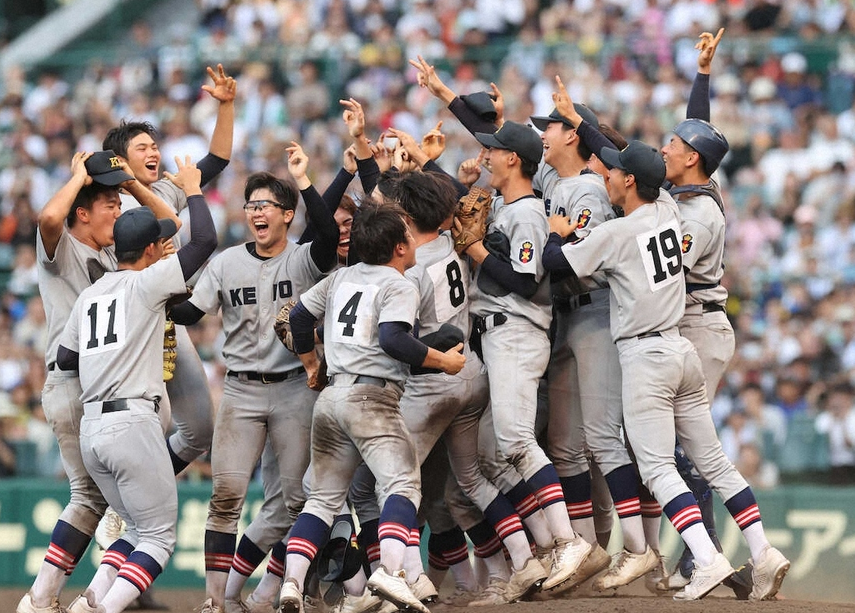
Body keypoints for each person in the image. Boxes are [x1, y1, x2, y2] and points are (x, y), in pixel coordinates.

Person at [543, 139, 790, 601]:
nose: (607, 176)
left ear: (630, 180)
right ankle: (764, 551)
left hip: (645, 357)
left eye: (615, 172)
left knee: (657, 466)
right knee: (714, 462)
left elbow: (555, 262)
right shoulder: (669, 213)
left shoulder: (618, 233)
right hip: (681, 352)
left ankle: (706, 558)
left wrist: (558, 233)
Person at [168, 143, 340, 613]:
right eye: (251, 205)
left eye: (266, 205)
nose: (257, 213)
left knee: (296, 500)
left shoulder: (304, 259)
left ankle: (290, 589)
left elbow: (327, 234)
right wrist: (157, 289)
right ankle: (215, 601)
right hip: (241, 389)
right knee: (225, 496)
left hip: (294, 388)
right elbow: (189, 310)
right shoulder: (225, 262)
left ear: (287, 215)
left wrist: (304, 181)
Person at [277, 203, 465, 613]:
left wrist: (312, 364)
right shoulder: (399, 284)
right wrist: (442, 360)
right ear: (399, 248)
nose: (414, 240)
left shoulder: (341, 276)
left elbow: (299, 316)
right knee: (401, 486)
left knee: (322, 501)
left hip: (331, 399)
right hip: (371, 397)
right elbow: (393, 339)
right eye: (408, 236)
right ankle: (390, 571)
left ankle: (291, 583)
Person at [17, 151, 180, 613]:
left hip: (98, 384)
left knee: (112, 507)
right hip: (73, 383)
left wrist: (131, 187)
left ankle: (66, 599)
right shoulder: (64, 249)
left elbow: (172, 227)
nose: (118, 210)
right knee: (92, 500)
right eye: (108, 203)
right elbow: (51, 215)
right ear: (83, 213)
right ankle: (47, 598)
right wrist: (77, 177)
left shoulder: (113, 253)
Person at [56, 156, 217, 613]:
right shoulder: (147, 284)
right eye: (160, 243)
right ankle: (106, 611)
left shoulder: (91, 294)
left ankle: (89, 603)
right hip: (132, 421)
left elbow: (67, 358)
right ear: (149, 251)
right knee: (160, 537)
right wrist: (192, 190)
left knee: (133, 529)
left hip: (92, 429)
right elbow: (205, 238)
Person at [455, 120, 592, 593]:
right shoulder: (506, 207)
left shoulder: (529, 213)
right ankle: (546, 546)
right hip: (495, 335)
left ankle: (570, 541)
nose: (487, 155)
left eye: (493, 151)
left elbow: (525, 280)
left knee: (514, 440)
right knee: (490, 454)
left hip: (516, 332)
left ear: (513, 158)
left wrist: (474, 250)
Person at [532, 102, 655, 591]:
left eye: (553, 127)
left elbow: (571, 263)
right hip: (565, 318)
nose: (544, 134)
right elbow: (507, 146)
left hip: (597, 310)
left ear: (573, 137)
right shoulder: (557, 184)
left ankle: (641, 550)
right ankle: (583, 552)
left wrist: (555, 242)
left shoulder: (587, 187)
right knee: (565, 445)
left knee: (604, 437)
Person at [99, 63, 236, 481]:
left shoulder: (164, 190)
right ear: (120, 159)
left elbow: (216, 159)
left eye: (154, 145)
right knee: (145, 426)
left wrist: (226, 106)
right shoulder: (106, 202)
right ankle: (124, 503)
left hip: (167, 322)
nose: (153, 152)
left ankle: (142, 494)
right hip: (128, 328)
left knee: (200, 429)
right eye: (142, 147)